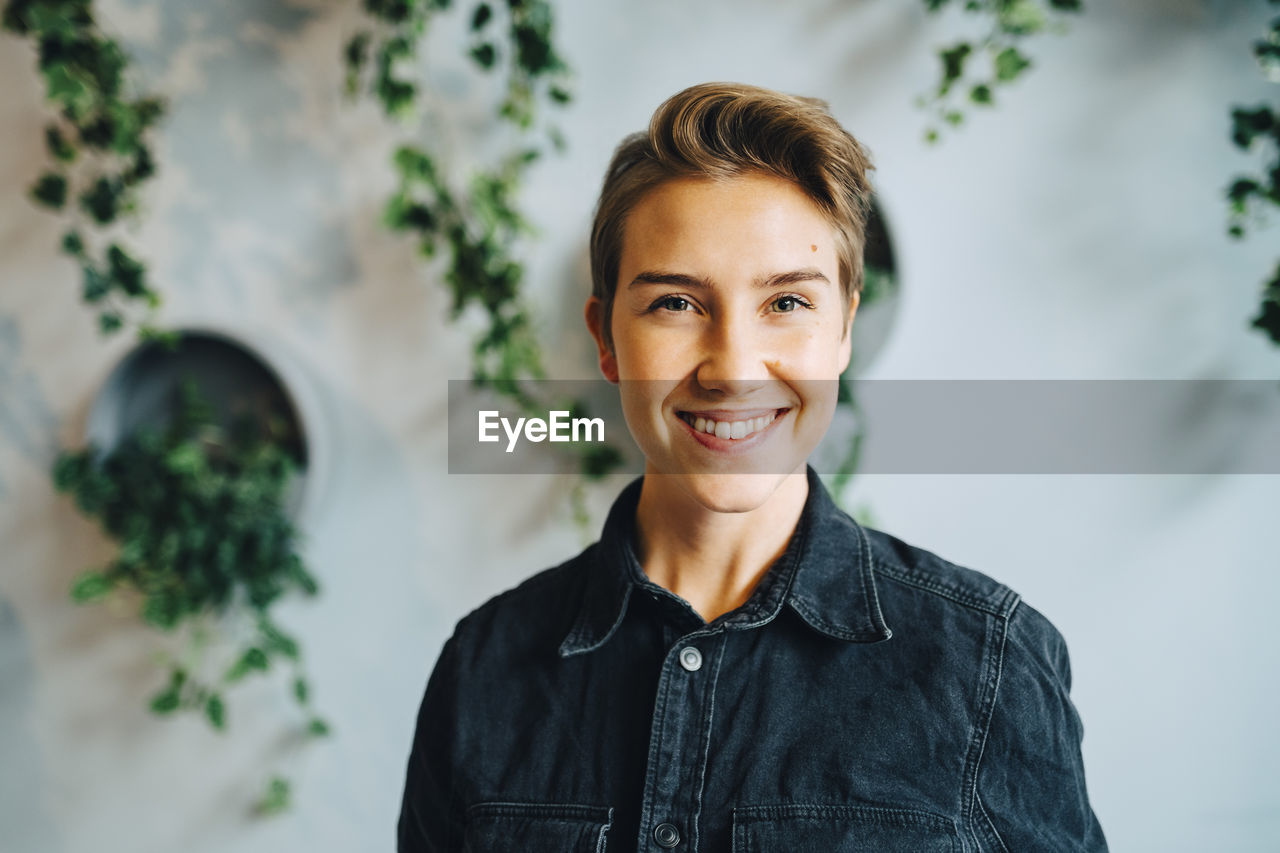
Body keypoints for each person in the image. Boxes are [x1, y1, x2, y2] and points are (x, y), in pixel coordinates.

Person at [398, 82, 1108, 852]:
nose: (732, 369)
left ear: (844, 329)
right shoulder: (483, 666)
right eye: (675, 303)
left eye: (787, 304)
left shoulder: (987, 662)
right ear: (607, 337)